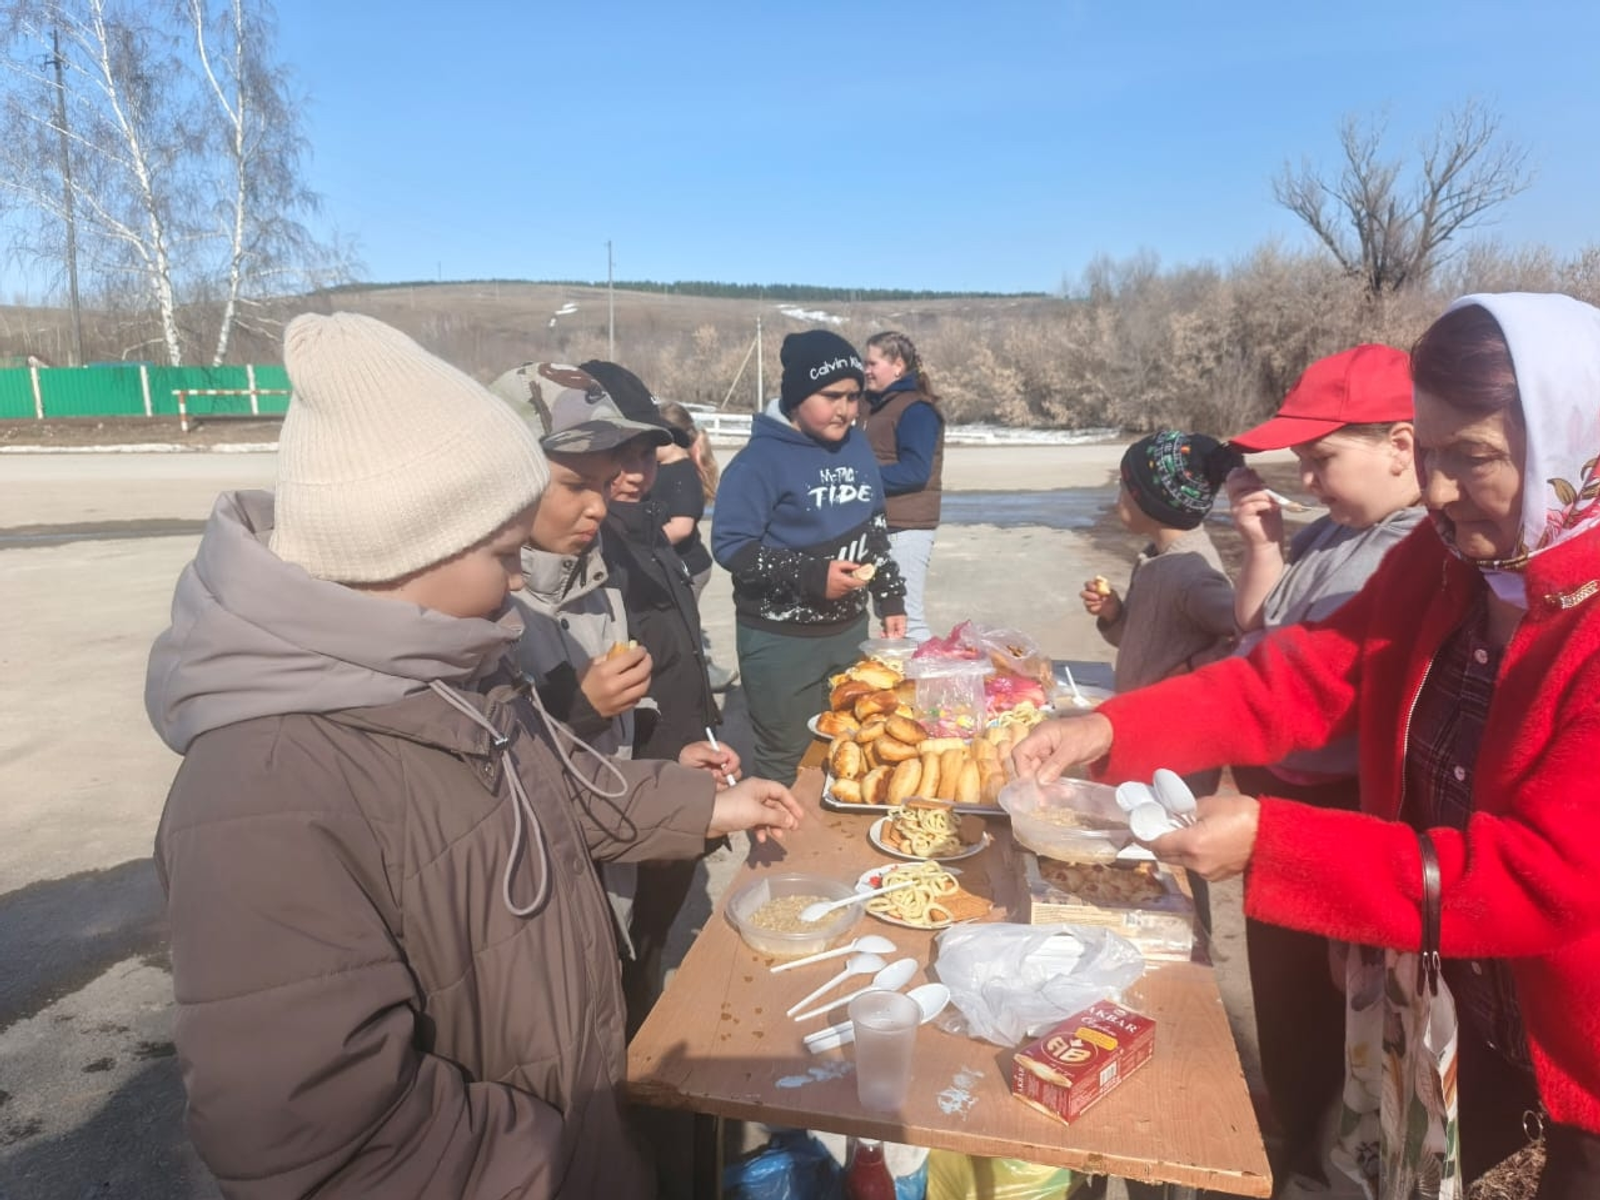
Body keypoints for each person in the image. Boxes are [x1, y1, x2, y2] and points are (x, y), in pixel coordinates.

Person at [147, 312, 802, 1199]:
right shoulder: (260, 792)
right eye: (503, 555)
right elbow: (317, 1138)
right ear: (410, 545)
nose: (516, 584)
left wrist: (703, 805)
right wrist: (550, 1160)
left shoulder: (454, 670)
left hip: (576, 1128)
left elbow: (561, 792)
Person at [1013, 292, 1600, 1199]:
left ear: (1571, 442)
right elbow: (1303, 676)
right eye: (1431, 452)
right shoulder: (1453, 566)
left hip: (1576, 1060)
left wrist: (1278, 845)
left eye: (1473, 457)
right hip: (1452, 1008)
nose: (1439, 491)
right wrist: (1114, 727)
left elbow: (1541, 877)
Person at [1221, 343, 1424, 1189]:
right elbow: (1254, 628)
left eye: (1323, 458)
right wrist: (1266, 544)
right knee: (1288, 1003)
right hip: (1282, 796)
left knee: (1341, 1018)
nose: (1308, 480)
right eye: (1302, 460)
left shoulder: (1405, 553)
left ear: (1402, 447)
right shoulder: (1339, 531)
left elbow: (1286, 682)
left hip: (1343, 808)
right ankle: (1301, 1141)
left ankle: (1318, 1161)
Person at [712, 329, 908, 783]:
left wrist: (890, 595)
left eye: (854, 396)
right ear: (798, 396)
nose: (845, 409)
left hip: (849, 631)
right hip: (782, 641)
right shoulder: (759, 461)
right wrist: (810, 575)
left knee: (848, 746)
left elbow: (875, 526)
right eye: (831, 395)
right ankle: (785, 850)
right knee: (787, 756)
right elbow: (731, 546)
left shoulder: (857, 446)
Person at [1079, 428, 1237, 931]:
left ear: (1147, 498)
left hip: (1177, 748)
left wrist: (1188, 673)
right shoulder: (1154, 561)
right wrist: (1115, 614)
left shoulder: (1192, 572)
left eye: (1124, 488)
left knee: (1177, 850)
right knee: (1144, 844)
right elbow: (1139, 639)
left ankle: (1193, 940)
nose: (1118, 498)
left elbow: (1241, 631)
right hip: (1143, 734)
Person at [861, 330, 944, 642]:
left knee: (906, 618)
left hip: (907, 526)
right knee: (887, 614)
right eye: (864, 363)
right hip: (880, 521)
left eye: (872, 363)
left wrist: (857, 480)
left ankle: (932, 685)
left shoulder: (917, 410)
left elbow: (915, 471)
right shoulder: (871, 405)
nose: (866, 369)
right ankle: (901, 686)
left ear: (897, 366)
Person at [654, 399, 736, 689]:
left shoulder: (682, 474)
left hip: (688, 568)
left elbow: (681, 527)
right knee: (684, 625)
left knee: (682, 628)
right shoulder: (658, 469)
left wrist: (638, 539)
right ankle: (705, 672)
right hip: (673, 565)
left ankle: (703, 677)